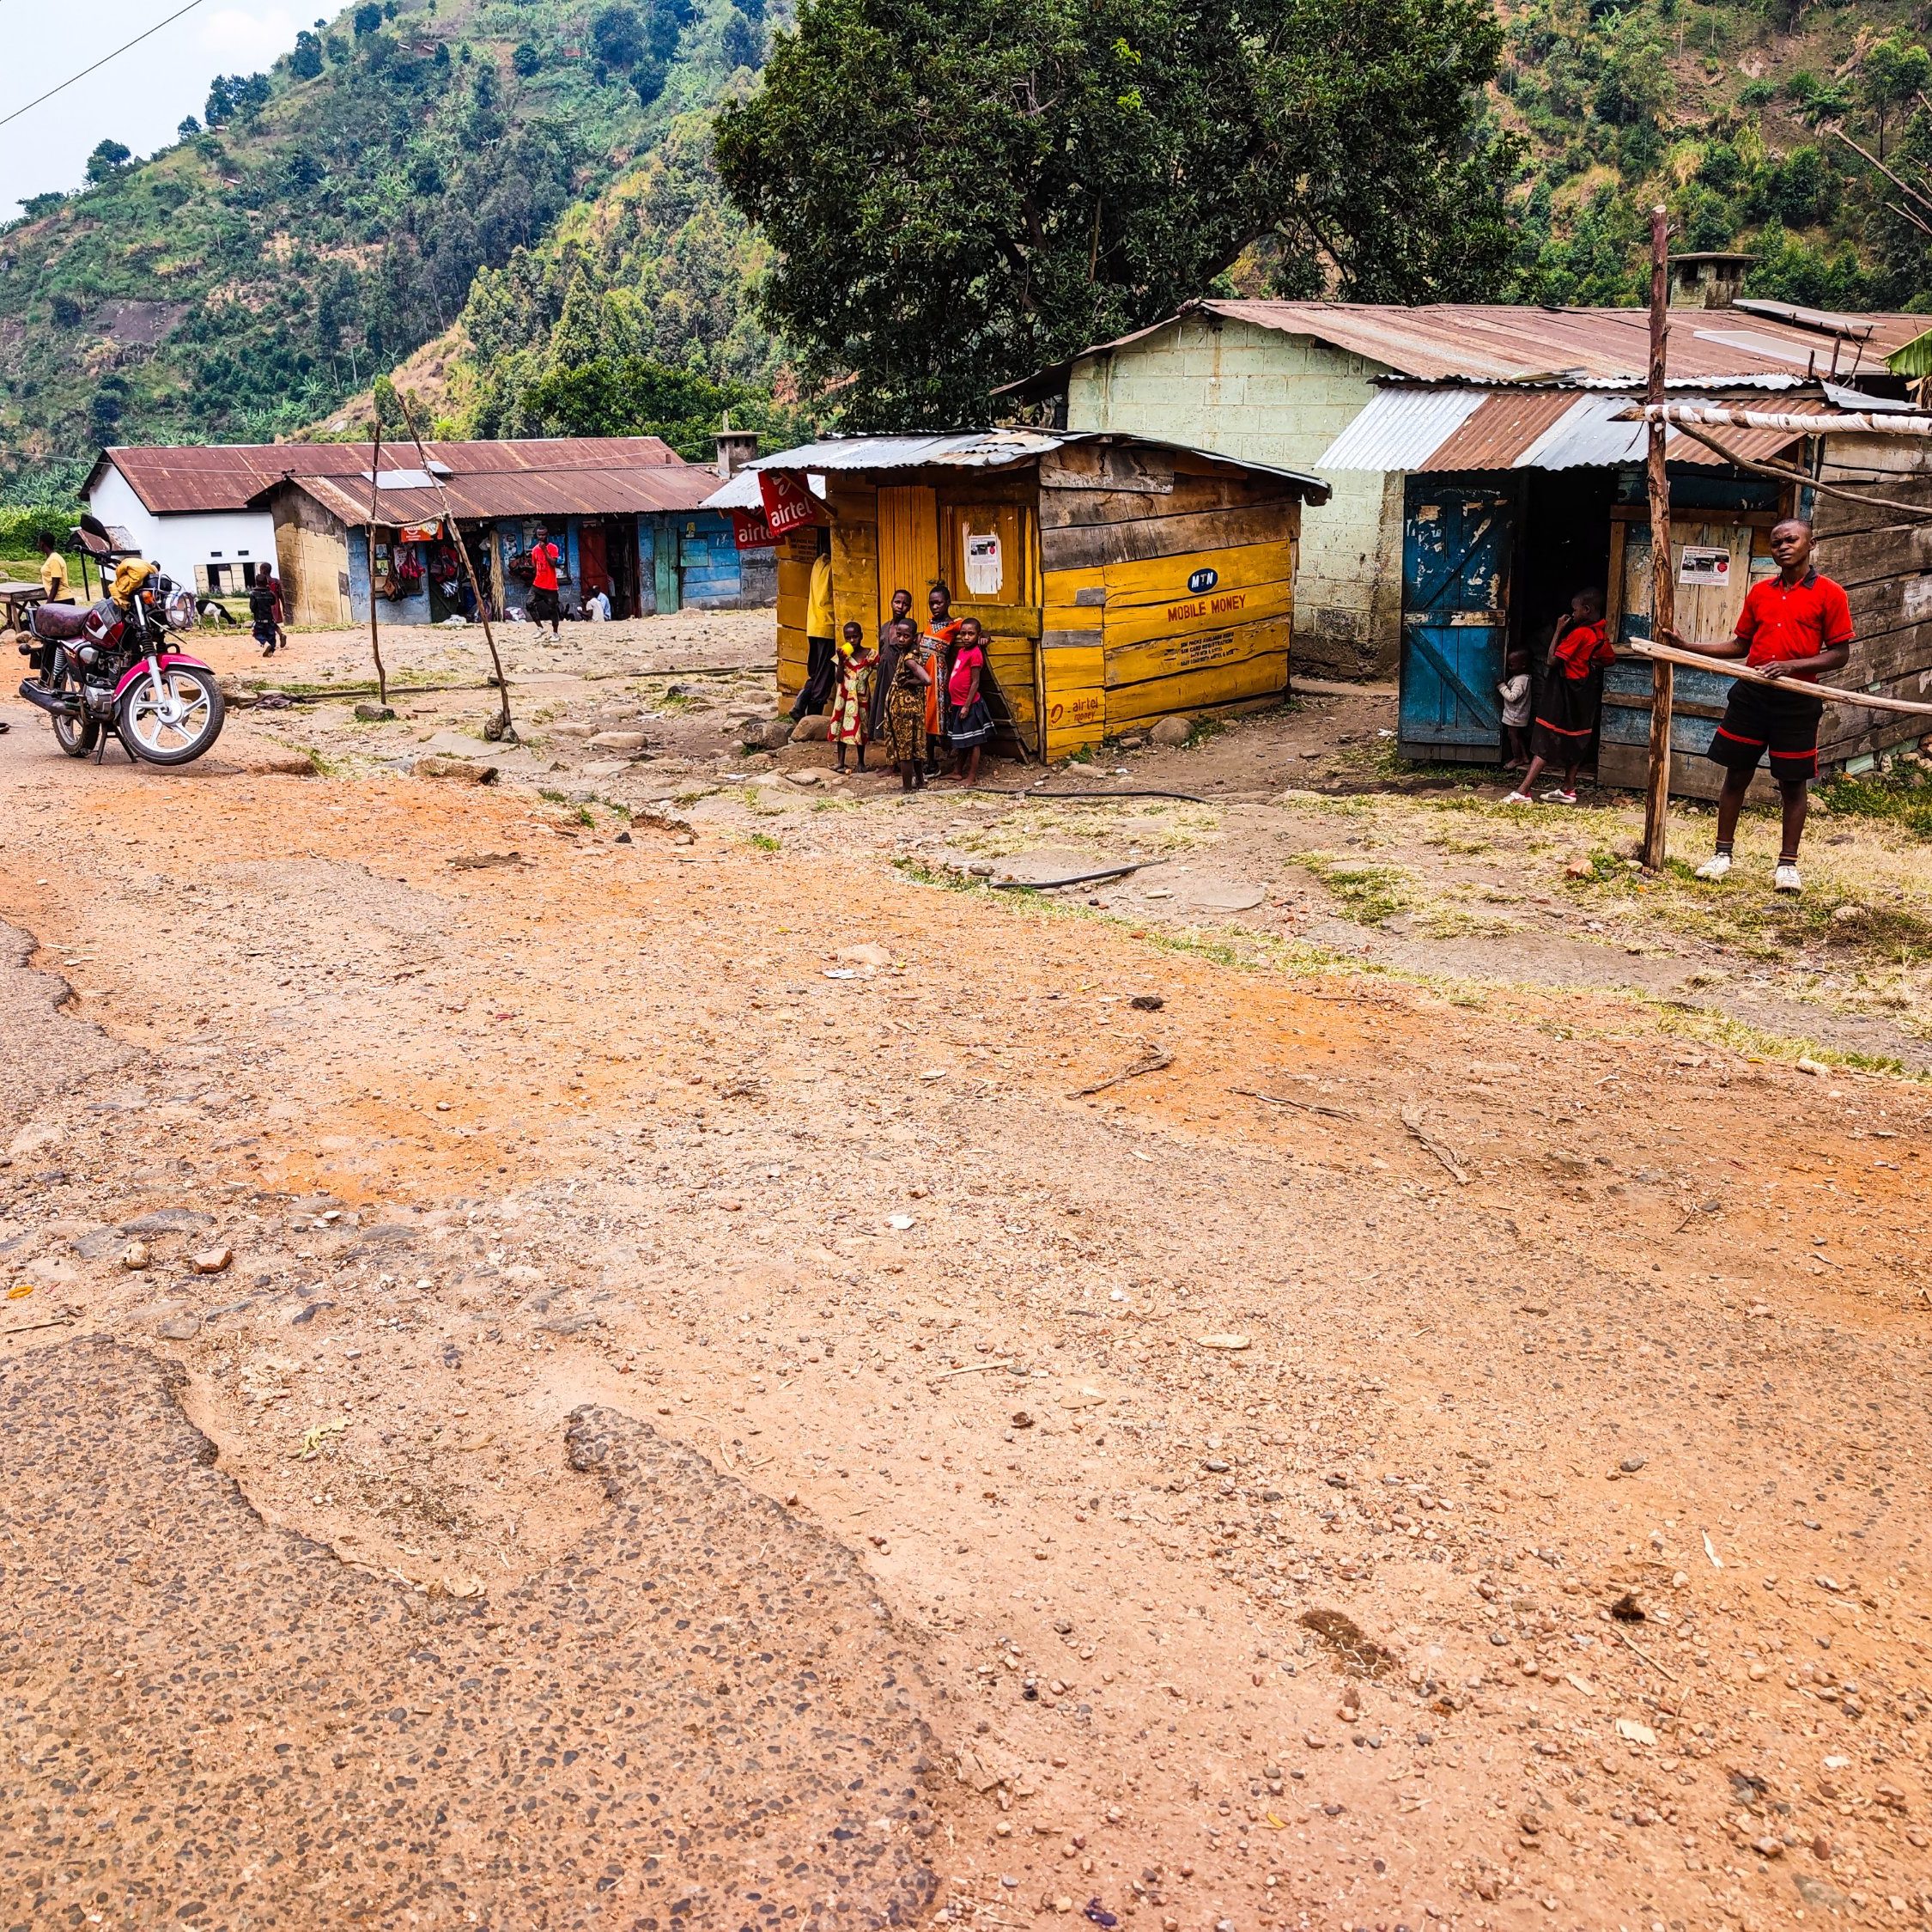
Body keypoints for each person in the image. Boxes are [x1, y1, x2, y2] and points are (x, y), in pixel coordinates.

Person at [1662, 517, 1851, 894]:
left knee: (1793, 784)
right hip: (1751, 694)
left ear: (1810, 544)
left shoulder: (1831, 593)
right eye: (1776, 541)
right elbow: (1740, 647)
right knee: (1736, 775)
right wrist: (1688, 648)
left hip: (1799, 700)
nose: (1782, 546)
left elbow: (1840, 655)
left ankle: (1787, 866)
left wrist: (1791, 667)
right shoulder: (1760, 592)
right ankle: (1722, 855)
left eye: (1791, 540)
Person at [1506, 587, 1613, 806]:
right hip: (1584, 693)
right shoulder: (1599, 633)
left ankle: (1523, 791)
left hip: (1565, 691)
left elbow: (1552, 660)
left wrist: (1558, 630)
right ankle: (1568, 788)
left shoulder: (1579, 633)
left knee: (1546, 736)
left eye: (1575, 610)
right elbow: (1609, 659)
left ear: (1586, 609)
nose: (1572, 614)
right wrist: (1588, 662)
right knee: (1577, 737)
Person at [878, 616, 929, 789]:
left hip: (905, 710)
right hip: (910, 707)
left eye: (905, 636)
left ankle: (907, 787)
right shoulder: (910, 652)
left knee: (905, 749)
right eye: (898, 635)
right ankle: (920, 782)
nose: (900, 639)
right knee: (915, 746)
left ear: (914, 637)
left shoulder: (909, 658)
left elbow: (927, 679)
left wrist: (911, 682)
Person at [793, 530, 837, 720]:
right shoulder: (834, 569)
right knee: (825, 674)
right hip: (827, 627)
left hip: (813, 625)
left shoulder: (818, 564)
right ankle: (812, 713)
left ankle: (802, 702)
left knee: (816, 671)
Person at [945, 615, 995, 784]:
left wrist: (967, 706)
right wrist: (954, 703)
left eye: (971, 634)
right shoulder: (962, 651)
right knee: (962, 740)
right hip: (958, 703)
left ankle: (972, 776)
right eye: (963, 634)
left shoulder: (975, 654)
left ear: (978, 635)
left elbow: (975, 682)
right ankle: (957, 771)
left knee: (974, 741)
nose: (966, 637)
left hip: (970, 704)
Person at [920, 582, 963, 778]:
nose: (935, 607)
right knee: (923, 716)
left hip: (936, 676)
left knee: (933, 716)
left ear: (948, 603)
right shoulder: (929, 624)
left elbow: (975, 627)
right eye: (932, 604)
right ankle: (928, 759)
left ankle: (933, 761)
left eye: (938, 603)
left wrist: (983, 636)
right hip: (921, 673)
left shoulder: (954, 624)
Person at [829, 619, 876, 774]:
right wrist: (841, 662)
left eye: (855, 637)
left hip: (862, 697)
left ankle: (861, 762)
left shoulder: (870, 655)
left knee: (861, 727)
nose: (852, 640)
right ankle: (840, 762)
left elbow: (881, 668)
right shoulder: (841, 656)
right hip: (843, 696)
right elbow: (838, 679)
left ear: (861, 636)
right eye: (848, 638)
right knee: (841, 726)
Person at [868, 587, 914, 741]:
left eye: (905, 604)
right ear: (891, 603)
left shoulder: (908, 629)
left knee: (897, 714)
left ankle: (897, 760)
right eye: (897, 602)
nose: (900, 607)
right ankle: (889, 756)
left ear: (909, 607)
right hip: (883, 676)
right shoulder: (885, 627)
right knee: (883, 711)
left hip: (897, 677)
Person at [1498, 647, 1532, 772]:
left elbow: (1512, 697)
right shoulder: (1523, 678)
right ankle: (1524, 757)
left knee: (1513, 736)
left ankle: (1517, 758)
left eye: (1512, 665)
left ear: (1523, 665)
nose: (1509, 667)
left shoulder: (1520, 680)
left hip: (1515, 715)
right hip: (1518, 714)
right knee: (1517, 736)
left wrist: (1501, 687)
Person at [528, 528, 563, 637]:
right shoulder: (534, 550)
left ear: (547, 535)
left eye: (543, 535)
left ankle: (555, 633)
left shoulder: (553, 548)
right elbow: (534, 565)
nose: (541, 537)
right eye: (539, 535)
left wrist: (544, 550)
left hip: (551, 586)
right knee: (529, 604)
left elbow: (553, 563)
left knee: (552, 609)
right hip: (538, 584)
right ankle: (540, 627)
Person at [247, 574, 280, 656]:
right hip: (269, 620)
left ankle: (265, 644)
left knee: (258, 634)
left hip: (259, 620)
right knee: (271, 636)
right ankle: (270, 652)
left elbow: (252, 608)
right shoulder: (270, 594)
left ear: (256, 582)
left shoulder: (253, 594)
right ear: (266, 582)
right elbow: (273, 602)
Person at [37, 532, 69, 605]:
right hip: (58, 600)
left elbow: (56, 583)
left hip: (62, 599)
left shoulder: (54, 559)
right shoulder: (51, 558)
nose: (37, 545)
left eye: (38, 542)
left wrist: (49, 603)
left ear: (42, 544)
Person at [263, 571, 289, 648]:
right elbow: (281, 595)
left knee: (266, 624)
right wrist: (284, 606)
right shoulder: (277, 581)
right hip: (276, 604)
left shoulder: (263, 582)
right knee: (273, 623)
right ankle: (281, 635)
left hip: (267, 605)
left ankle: (269, 643)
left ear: (263, 570)